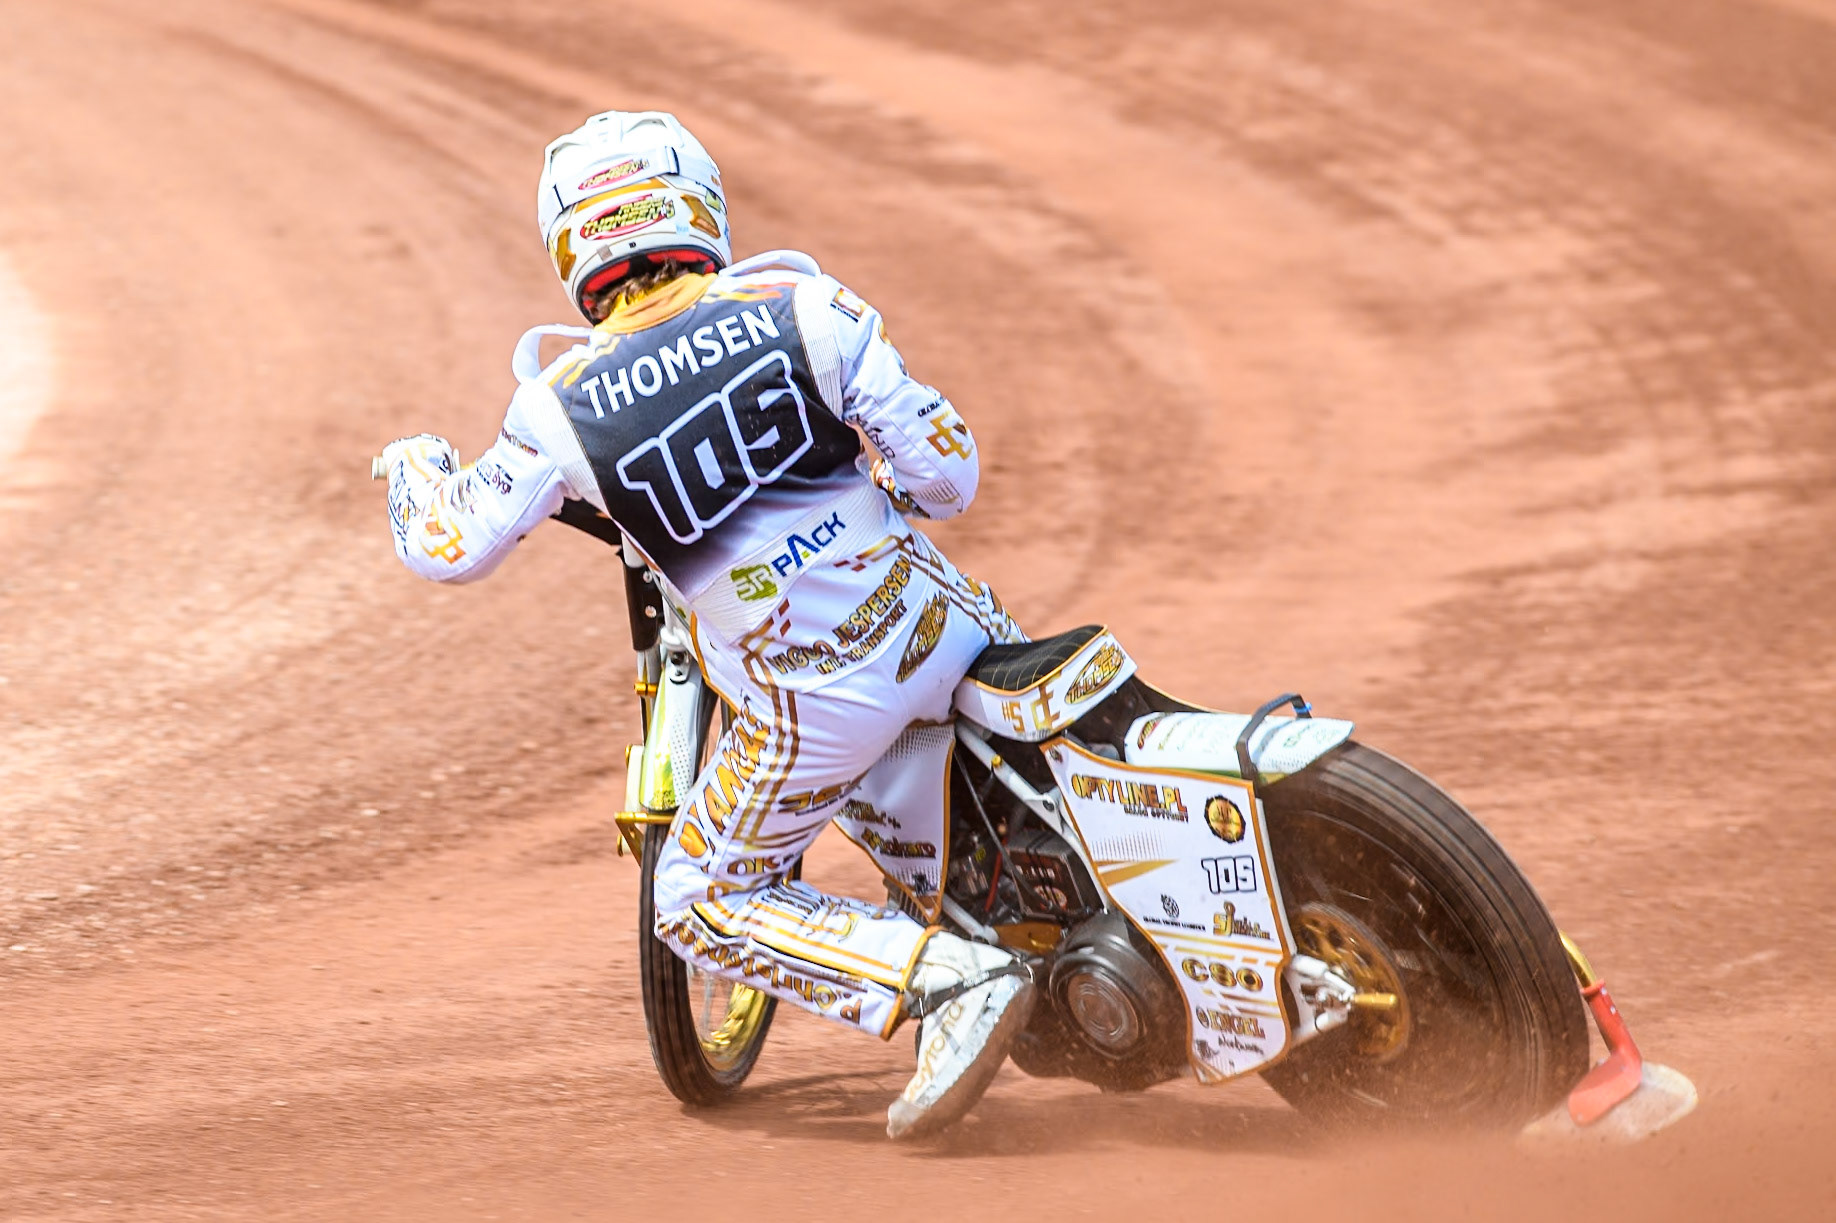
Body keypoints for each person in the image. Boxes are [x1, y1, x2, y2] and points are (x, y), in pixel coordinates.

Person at [378, 110, 1034, 1138]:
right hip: (946, 619)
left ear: (572, 249)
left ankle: (952, 980)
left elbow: (448, 546)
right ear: (700, 207)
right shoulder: (804, 302)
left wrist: (413, 465)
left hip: (813, 701)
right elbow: (948, 478)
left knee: (691, 895)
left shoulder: (557, 408)